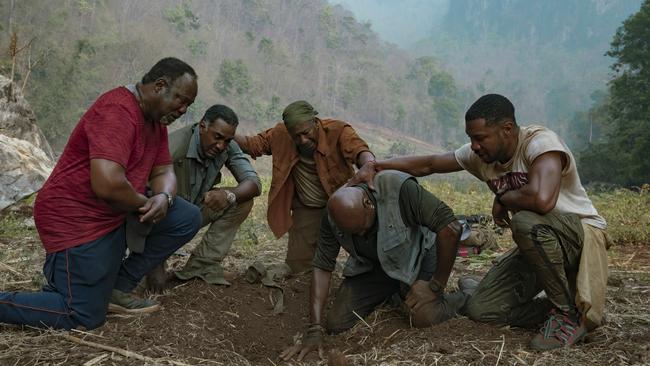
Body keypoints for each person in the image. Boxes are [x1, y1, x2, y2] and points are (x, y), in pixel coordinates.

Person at [350, 94, 610, 351]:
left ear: (507, 129)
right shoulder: (481, 156)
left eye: (480, 138)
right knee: (481, 309)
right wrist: (375, 165)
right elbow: (429, 164)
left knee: (526, 224)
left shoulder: (540, 143)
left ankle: (567, 315)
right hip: (541, 246)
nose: (474, 145)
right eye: (470, 138)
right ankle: (570, 311)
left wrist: (504, 198)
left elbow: (542, 201)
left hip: (580, 237)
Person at [0, 57, 202, 330]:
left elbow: (164, 171)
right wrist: (147, 203)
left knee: (186, 217)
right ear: (159, 86)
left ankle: (117, 288)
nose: (183, 109)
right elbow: (107, 186)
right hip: (75, 217)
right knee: (82, 315)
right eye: (181, 100)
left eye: (188, 105)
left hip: (115, 212)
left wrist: (163, 198)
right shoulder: (118, 111)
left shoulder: (156, 122)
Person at [280, 170, 465, 361]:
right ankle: (396, 291)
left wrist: (434, 286)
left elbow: (451, 228)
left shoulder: (398, 189)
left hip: (419, 256)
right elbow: (323, 265)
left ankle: (465, 296)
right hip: (376, 266)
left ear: (368, 203)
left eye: (362, 229)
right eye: (353, 233)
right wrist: (314, 328)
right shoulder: (333, 214)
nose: (360, 236)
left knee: (423, 317)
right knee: (337, 323)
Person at [235, 100, 375, 273]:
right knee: (298, 267)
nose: (302, 140)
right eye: (296, 136)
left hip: (342, 205)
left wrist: (368, 165)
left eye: (306, 133)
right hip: (308, 209)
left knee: (366, 255)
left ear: (315, 123)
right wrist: (226, 134)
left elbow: (359, 150)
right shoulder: (281, 134)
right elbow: (253, 145)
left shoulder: (338, 131)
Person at [146, 104, 261, 289]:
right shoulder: (173, 150)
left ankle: (201, 266)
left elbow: (254, 183)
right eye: (217, 137)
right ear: (202, 126)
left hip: (193, 211)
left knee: (242, 200)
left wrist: (228, 195)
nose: (221, 145)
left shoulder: (226, 146)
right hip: (163, 220)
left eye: (227, 140)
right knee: (155, 284)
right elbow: (144, 202)